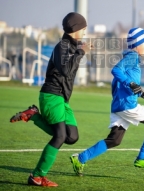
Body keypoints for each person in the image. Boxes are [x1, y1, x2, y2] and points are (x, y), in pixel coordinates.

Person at [9, 12, 91, 187]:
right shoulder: (62, 46)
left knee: (72, 137)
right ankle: (37, 176)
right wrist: (81, 52)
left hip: (62, 99)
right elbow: (66, 71)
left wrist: (79, 50)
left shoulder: (70, 46)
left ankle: (33, 115)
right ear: (76, 29)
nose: (85, 31)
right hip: (51, 96)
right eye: (83, 28)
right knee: (60, 136)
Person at [69, 27, 144, 176]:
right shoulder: (132, 57)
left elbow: (124, 85)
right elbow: (116, 70)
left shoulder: (131, 58)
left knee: (114, 140)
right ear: (137, 44)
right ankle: (142, 158)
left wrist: (143, 93)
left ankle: (80, 158)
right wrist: (131, 84)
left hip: (119, 105)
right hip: (127, 106)